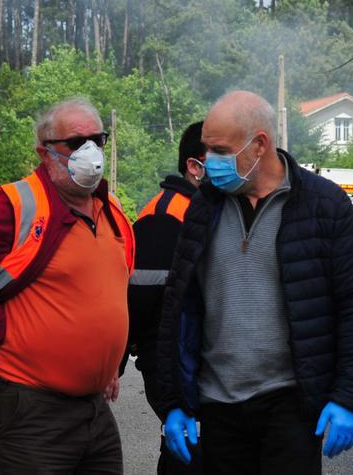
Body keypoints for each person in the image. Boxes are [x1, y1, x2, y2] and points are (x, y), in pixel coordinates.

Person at [154, 91, 353, 473]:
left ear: (259, 145)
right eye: (207, 150)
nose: (209, 162)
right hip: (217, 405)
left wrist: (347, 397)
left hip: (290, 404)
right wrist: (172, 402)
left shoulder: (324, 207)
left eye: (220, 149)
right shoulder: (204, 207)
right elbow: (178, 307)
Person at [0, 98, 136, 474]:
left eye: (97, 140)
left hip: (93, 411)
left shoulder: (112, 210)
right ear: (45, 152)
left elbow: (110, 293)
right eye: (75, 142)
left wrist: (110, 364)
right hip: (29, 408)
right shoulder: (19, 204)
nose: (90, 151)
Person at [126, 121, 206, 473]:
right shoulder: (165, 215)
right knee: (185, 452)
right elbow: (141, 298)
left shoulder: (201, 208)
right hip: (170, 360)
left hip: (194, 359)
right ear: (194, 165)